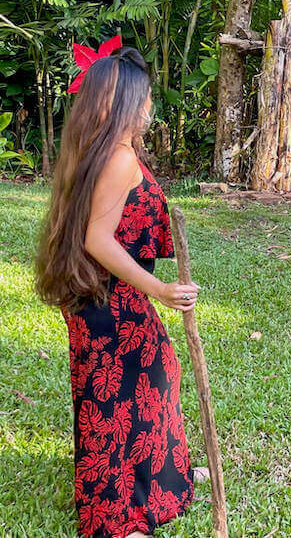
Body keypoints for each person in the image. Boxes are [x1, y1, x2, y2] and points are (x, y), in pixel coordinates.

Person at [35, 41, 200, 538]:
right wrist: (162, 289)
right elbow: (96, 239)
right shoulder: (118, 159)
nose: (150, 107)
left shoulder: (104, 150)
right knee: (113, 404)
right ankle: (117, 518)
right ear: (125, 101)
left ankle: (160, 482)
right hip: (109, 301)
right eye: (145, 98)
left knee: (154, 379)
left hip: (106, 298)